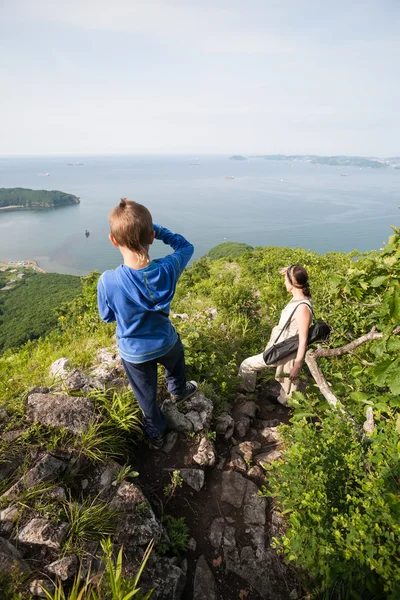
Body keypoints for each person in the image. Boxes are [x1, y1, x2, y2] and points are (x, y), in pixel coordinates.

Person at [97, 198, 198, 449]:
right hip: (165, 341)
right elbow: (185, 246)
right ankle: (179, 391)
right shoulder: (167, 269)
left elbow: (107, 316)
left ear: (113, 240)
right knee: (176, 360)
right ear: (152, 237)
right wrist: (159, 230)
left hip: (134, 353)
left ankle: (155, 432)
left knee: (146, 396)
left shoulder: (108, 281)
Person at [238, 264, 312, 405]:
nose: (284, 282)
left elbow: (303, 339)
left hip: (286, 351)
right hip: (283, 348)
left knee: (246, 365)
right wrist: (289, 271)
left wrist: (297, 365)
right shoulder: (302, 296)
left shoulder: (302, 308)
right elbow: (300, 275)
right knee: (288, 385)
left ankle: (246, 393)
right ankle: (282, 403)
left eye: (286, 280)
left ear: (293, 283)